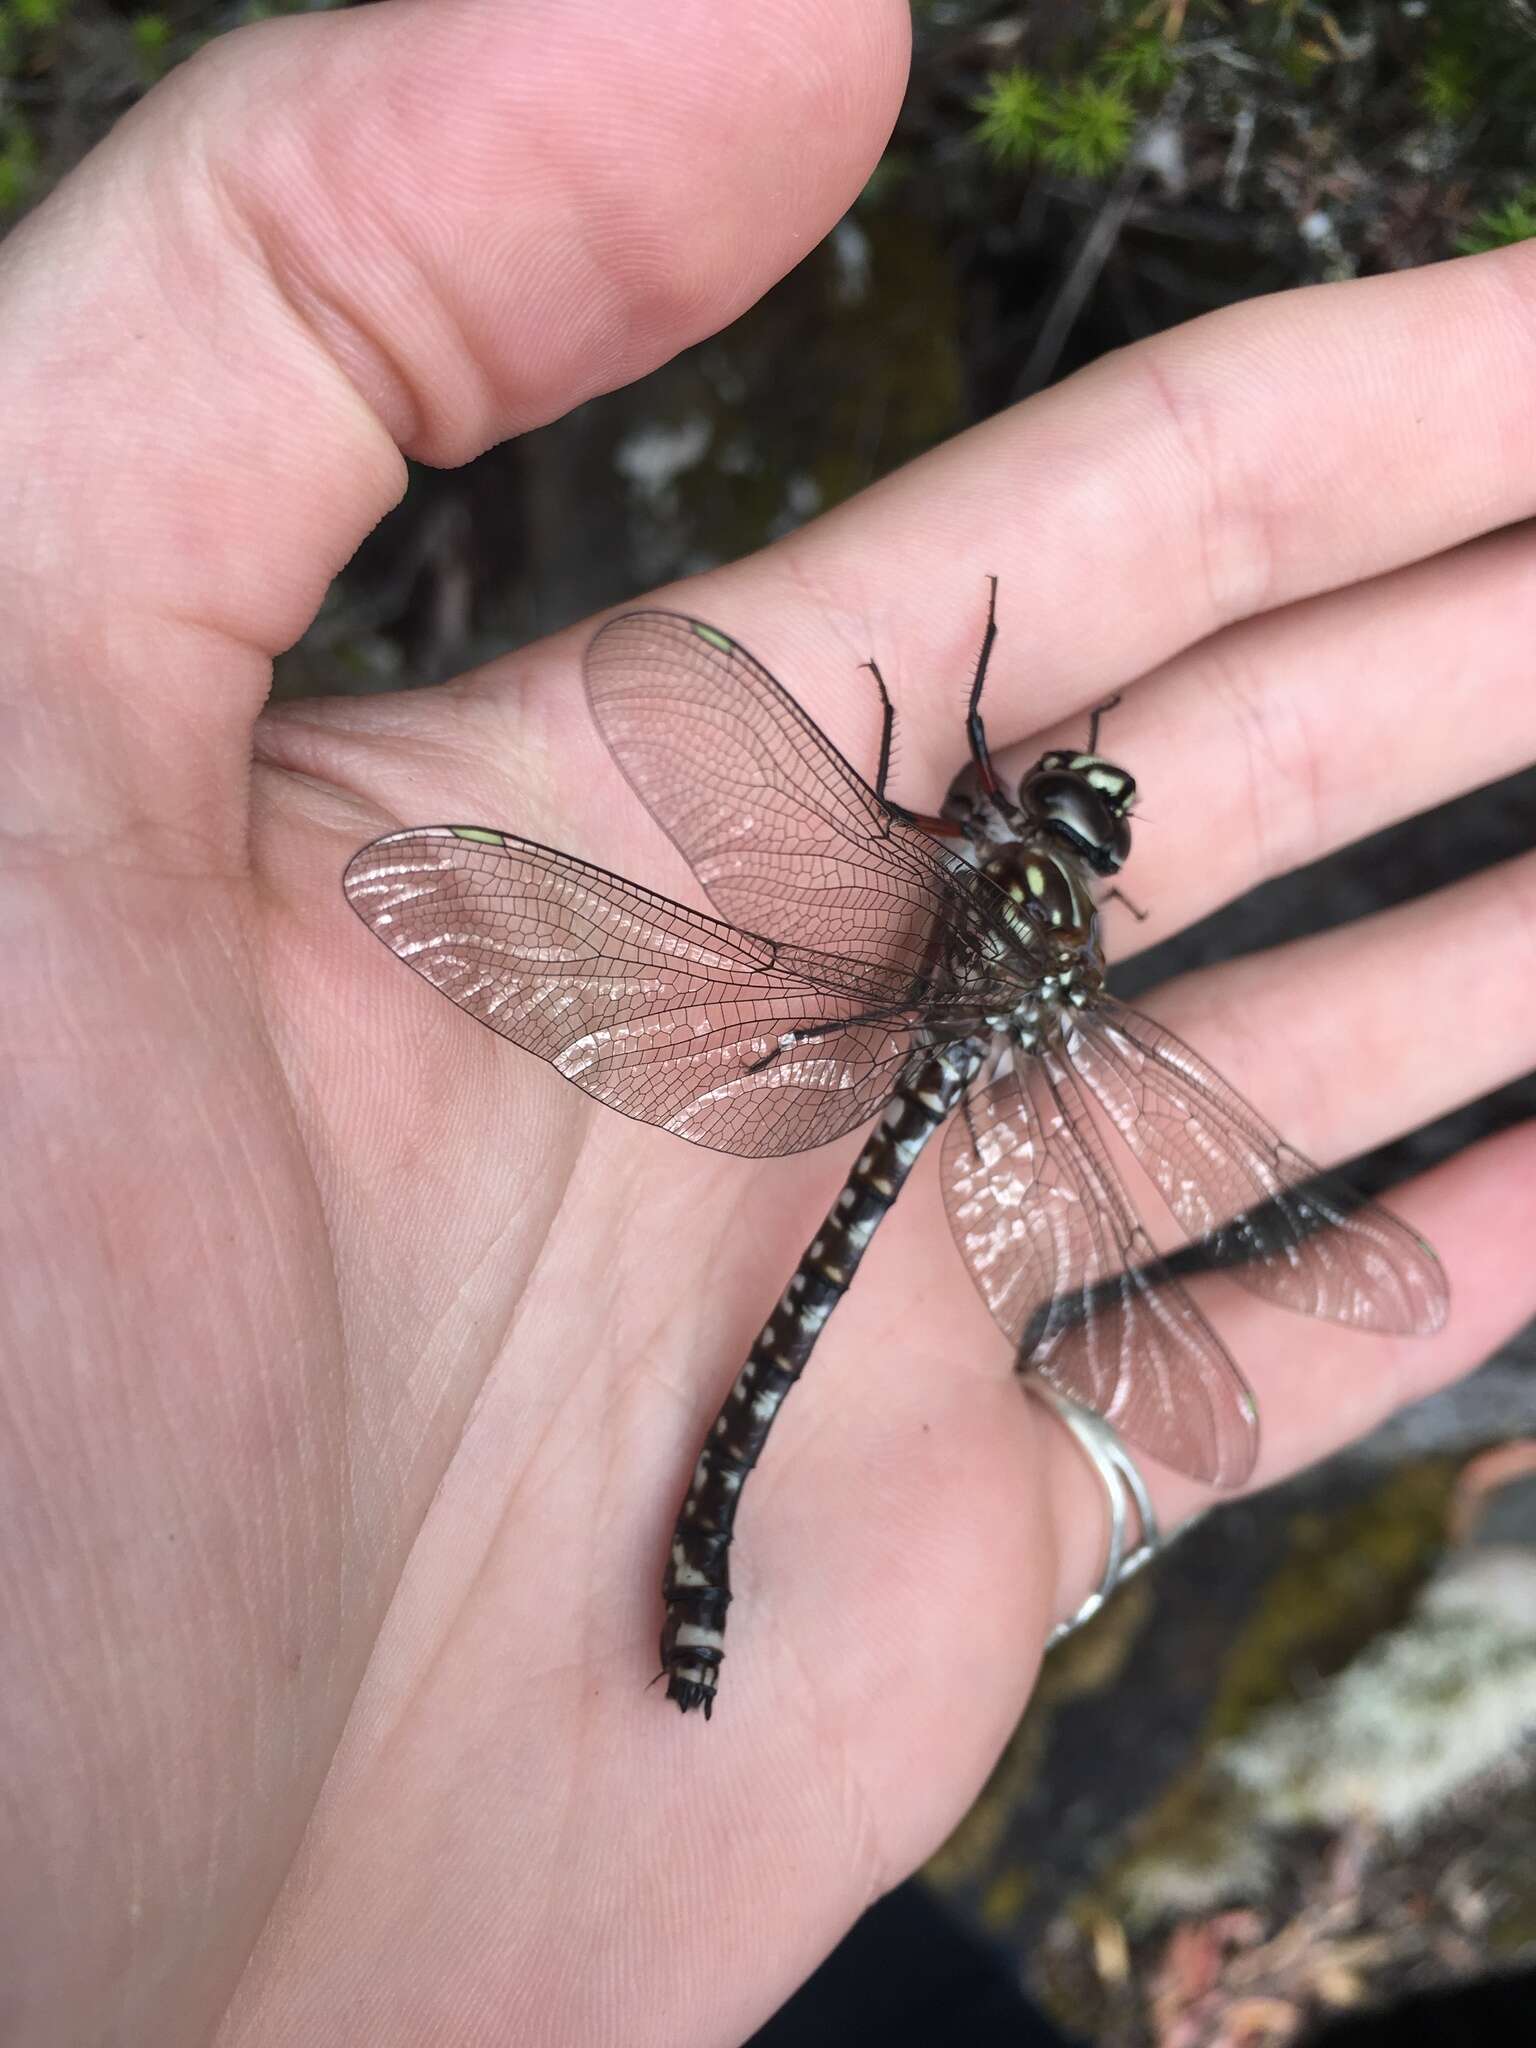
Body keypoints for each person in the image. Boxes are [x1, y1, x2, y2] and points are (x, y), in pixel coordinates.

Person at [2, 3, 1532, 2043]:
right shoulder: (1060, 966)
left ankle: (708, 1548)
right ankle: (708, 1570)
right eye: (1084, 816)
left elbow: (910, 793)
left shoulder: (956, 877)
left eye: (1065, 819)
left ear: (1034, 849)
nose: (1072, 816)